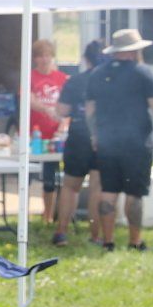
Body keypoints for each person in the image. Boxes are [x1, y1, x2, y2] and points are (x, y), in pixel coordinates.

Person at [85, 28, 153, 252]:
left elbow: (89, 109)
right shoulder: (143, 73)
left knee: (108, 191)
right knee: (135, 193)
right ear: (135, 51)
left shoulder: (97, 73)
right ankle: (135, 241)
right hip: (137, 141)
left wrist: (94, 135)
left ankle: (108, 241)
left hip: (107, 140)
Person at [52, 40, 106, 246]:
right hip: (103, 137)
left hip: (78, 136)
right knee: (97, 188)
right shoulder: (109, 80)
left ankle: (61, 232)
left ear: (86, 59)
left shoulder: (75, 81)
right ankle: (95, 235)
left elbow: (62, 111)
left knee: (70, 187)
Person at [28, 38, 69, 192]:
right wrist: (47, 109)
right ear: (34, 58)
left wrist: (63, 125)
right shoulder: (29, 77)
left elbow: (69, 106)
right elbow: (29, 100)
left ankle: (49, 215)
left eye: (48, 55)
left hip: (54, 135)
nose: (44, 59)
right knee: (28, 178)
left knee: (50, 179)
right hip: (34, 134)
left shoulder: (62, 78)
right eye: (40, 55)